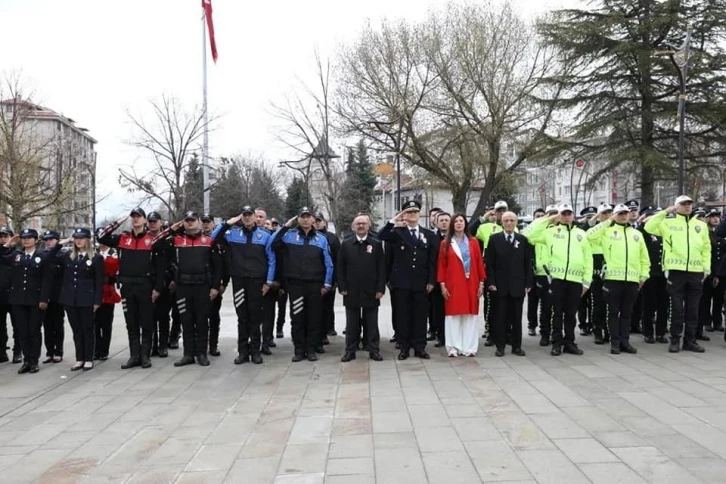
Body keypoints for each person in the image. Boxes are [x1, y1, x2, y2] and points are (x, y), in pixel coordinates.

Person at [97, 207, 165, 369]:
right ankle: (134, 355)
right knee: (131, 322)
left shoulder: (152, 239)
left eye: (138, 217)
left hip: (145, 285)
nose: (135, 219)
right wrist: (117, 223)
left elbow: (160, 267)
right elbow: (101, 236)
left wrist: (157, 288)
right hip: (127, 285)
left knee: (146, 322)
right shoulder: (123, 238)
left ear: (144, 220)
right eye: (133, 217)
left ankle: (145, 356)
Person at [644, 195, 711, 353]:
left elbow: (706, 248)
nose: (687, 206)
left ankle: (690, 340)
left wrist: (706, 269)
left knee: (693, 309)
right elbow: (648, 227)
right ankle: (675, 339)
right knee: (677, 309)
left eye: (689, 204)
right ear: (676, 206)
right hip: (676, 271)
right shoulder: (668, 222)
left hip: (696, 272)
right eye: (683, 204)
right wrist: (666, 212)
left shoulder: (700, 225)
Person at [156, 212, 222, 367]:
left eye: (193, 220)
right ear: (183, 223)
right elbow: (156, 244)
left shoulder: (209, 241)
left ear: (199, 222)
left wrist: (215, 287)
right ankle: (188, 354)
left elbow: (218, 266)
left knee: (201, 321)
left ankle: (201, 354)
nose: (190, 223)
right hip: (183, 287)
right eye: (187, 221)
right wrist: (172, 229)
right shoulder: (176, 240)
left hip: (202, 287)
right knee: (186, 320)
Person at [526, 203, 592, 356]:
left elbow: (588, 259)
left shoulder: (581, 234)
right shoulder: (551, 232)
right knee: (557, 313)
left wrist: (586, 282)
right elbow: (529, 235)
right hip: (556, 280)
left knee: (571, 313)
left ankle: (569, 342)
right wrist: (548, 219)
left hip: (575, 280)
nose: (566, 216)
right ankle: (556, 343)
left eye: (569, 214)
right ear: (559, 216)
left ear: (573, 215)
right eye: (563, 214)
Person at [212, 206, 276, 365]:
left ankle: (255, 351)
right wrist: (227, 223)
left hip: (257, 282)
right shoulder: (233, 233)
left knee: (255, 317)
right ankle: (243, 352)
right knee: (242, 317)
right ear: (241, 217)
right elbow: (213, 238)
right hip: (239, 282)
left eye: (250, 215)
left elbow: (272, 260)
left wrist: (268, 282)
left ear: (255, 217)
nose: (247, 218)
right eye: (244, 215)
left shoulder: (265, 235)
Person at [272, 207, 334, 362]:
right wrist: (286, 226)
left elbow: (329, 264)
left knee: (314, 319)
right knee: (297, 318)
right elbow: (273, 243)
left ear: (313, 219)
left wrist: (326, 284)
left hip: (314, 286)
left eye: (308, 217)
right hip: (296, 285)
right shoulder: (289, 236)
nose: (305, 220)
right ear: (298, 219)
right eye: (302, 217)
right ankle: (299, 350)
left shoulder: (321, 239)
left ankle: (311, 350)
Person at [378, 200, 438, 360]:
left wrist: (431, 280)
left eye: (415, 212)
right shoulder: (398, 233)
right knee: (403, 315)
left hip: (421, 282)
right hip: (401, 282)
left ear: (419, 214)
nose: (412, 214)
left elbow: (433, 260)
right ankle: (404, 347)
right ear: (404, 214)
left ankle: (420, 347)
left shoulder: (429, 234)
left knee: (420, 316)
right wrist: (394, 220)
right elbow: (381, 235)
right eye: (409, 212)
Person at [587, 204, 650, 354]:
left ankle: (625, 341)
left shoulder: (636, 234)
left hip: (632, 280)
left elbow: (644, 257)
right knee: (613, 313)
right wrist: (609, 221)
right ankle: (614, 342)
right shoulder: (607, 232)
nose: (623, 216)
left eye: (625, 213)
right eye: (620, 214)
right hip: (613, 279)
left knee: (627, 313)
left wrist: (644, 275)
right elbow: (590, 235)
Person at [0, 229, 65, 374]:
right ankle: (26, 361)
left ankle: (34, 360)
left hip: (35, 300)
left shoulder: (42, 256)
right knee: (22, 331)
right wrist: (8, 243)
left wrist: (44, 299)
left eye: (29, 238)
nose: (26, 240)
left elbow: (46, 280)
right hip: (18, 300)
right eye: (23, 238)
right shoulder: (16, 255)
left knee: (34, 330)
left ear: (36, 240)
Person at [338, 215, 386, 362]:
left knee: (371, 323)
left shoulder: (376, 244)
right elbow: (340, 268)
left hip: (371, 290)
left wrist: (380, 289)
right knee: (352, 324)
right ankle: (350, 351)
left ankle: (373, 350)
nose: (361, 226)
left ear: (368, 226)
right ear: (353, 227)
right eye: (358, 224)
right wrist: (342, 287)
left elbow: (381, 268)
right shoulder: (346, 244)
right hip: (351, 290)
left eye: (363, 224)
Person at [438, 213, 486, 357]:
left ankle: (469, 347)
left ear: (465, 224)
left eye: (461, 221)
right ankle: (453, 347)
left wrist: (481, 283)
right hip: (453, 283)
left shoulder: (473, 242)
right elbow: (441, 265)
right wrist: (442, 284)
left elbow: (479, 263)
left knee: (470, 315)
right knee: (453, 315)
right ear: (452, 224)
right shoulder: (445, 243)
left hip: (471, 283)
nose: (459, 223)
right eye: (456, 221)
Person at [486, 212, 533, 357]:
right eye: (506, 220)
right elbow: (489, 264)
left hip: (517, 286)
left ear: (516, 222)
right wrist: (491, 282)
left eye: (512, 220)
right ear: (501, 222)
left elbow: (528, 263)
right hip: (499, 287)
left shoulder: (523, 240)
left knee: (516, 318)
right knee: (500, 318)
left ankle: (516, 346)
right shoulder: (494, 239)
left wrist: (528, 282)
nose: (509, 223)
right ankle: (500, 346)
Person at [58, 228, 103, 371]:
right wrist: (62, 243)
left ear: (88, 240)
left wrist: (97, 301)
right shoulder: (68, 256)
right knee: (76, 330)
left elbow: (98, 281)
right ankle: (79, 358)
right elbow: (50, 256)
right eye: (76, 238)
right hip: (71, 299)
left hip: (87, 299)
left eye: (82, 238)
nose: (79, 240)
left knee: (87, 330)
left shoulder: (96, 258)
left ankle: (89, 358)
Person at [526, 205, 558, 346]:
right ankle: (543, 332)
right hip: (541, 274)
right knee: (543, 306)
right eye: (550, 214)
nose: (553, 217)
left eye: (555, 214)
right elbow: (528, 234)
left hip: (558, 274)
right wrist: (545, 219)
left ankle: (555, 332)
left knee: (555, 307)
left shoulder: (559, 231)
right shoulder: (541, 232)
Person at [638, 207, 669, 344]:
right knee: (649, 304)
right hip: (650, 273)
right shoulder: (644, 230)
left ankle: (661, 333)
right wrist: (642, 222)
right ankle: (648, 332)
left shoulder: (664, 229)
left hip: (664, 273)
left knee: (664, 304)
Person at [145, 211, 171, 358]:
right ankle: (152, 345)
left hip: (165, 282)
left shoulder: (168, 239)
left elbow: (173, 260)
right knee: (149, 316)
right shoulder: (145, 238)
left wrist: (173, 279)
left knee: (163, 315)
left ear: (160, 222)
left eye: (155, 221)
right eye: (150, 221)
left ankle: (163, 345)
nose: (152, 224)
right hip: (148, 281)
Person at [202, 213, 227, 357]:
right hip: (201, 284)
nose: (206, 225)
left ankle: (213, 345)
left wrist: (223, 283)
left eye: (208, 222)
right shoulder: (198, 238)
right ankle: (202, 344)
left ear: (213, 223)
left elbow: (225, 264)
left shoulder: (220, 241)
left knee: (213, 316)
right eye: (204, 222)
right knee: (200, 317)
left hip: (215, 284)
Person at [315, 213, 341, 345]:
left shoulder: (332, 238)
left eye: (319, 221)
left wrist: (336, 279)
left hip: (329, 278)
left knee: (327, 307)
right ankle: (318, 333)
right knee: (316, 308)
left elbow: (338, 259)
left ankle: (328, 329)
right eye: (316, 221)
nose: (317, 223)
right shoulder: (311, 237)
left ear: (325, 223)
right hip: (315, 278)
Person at [40, 230, 65, 364]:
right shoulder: (42, 255)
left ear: (57, 240)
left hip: (58, 295)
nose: (48, 242)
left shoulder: (62, 255)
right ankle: (49, 351)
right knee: (47, 325)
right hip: (45, 295)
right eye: (47, 240)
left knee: (58, 324)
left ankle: (58, 351)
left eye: (51, 239)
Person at [700, 210, 726, 335]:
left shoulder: (721, 234)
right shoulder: (706, 233)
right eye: (712, 217)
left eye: (717, 217)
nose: (715, 219)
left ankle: (718, 321)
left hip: (721, 271)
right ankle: (707, 321)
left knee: (719, 298)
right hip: (709, 270)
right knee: (706, 297)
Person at [95, 241, 120, 360]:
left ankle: (104, 350)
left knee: (106, 323)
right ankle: (96, 349)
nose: (101, 243)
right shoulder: (94, 253)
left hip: (108, 291)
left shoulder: (114, 253)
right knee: (94, 323)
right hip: (94, 291)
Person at [429, 212, 449, 347]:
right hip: (437, 280)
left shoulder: (458, 237)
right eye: (441, 220)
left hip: (453, 280)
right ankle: (440, 336)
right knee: (438, 310)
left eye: (446, 220)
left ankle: (452, 336)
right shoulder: (431, 238)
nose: (444, 222)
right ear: (436, 223)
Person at [0, 226, 20, 363]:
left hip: (15, 295)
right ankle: (2, 352)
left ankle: (18, 352)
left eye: (6, 236)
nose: (2, 239)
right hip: (1, 295)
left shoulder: (18, 253)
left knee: (18, 326)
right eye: (0, 236)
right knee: (1, 327)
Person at [526, 208, 546, 337]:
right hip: (532, 272)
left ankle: (544, 327)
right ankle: (532, 325)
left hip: (545, 273)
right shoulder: (531, 232)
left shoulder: (549, 232)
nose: (540, 218)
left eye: (542, 216)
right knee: (532, 301)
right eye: (537, 216)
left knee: (545, 301)